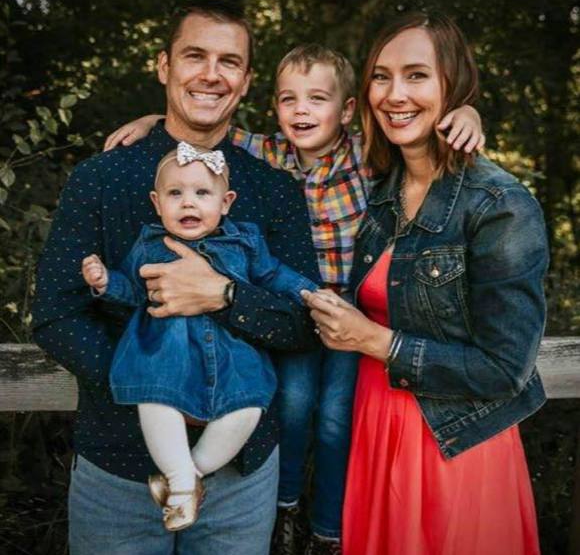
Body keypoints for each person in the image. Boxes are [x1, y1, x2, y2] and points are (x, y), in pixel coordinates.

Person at [104, 44, 484, 554]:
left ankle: (327, 530)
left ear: (346, 110)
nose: (301, 110)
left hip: (350, 311)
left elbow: (421, 140)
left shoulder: (366, 154)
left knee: (334, 419)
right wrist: (155, 120)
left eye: (317, 99)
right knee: (293, 404)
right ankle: (283, 508)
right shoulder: (272, 152)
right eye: (289, 99)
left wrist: (466, 113)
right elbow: (204, 131)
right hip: (294, 307)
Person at [32, 0, 321, 555]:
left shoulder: (274, 189)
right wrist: (155, 384)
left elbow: (304, 323)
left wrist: (225, 295)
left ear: (246, 81)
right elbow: (57, 312)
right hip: (119, 467)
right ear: (165, 66)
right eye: (195, 56)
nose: (211, 74)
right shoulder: (101, 178)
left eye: (229, 62)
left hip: (240, 473)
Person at [301, 12, 548, 555]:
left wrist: (374, 340)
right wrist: (164, 124)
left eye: (416, 75)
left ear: (452, 84)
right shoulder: (376, 187)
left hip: (452, 443)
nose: (395, 94)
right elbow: (275, 143)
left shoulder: (500, 205)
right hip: (372, 429)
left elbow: (506, 368)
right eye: (381, 76)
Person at [82, 143, 318, 532]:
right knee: (154, 400)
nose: (188, 203)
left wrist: (308, 291)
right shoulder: (149, 245)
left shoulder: (245, 241)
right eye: (175, 193)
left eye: (202, 193)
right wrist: (106, 282)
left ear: (226, 203)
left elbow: (275, 275)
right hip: (164, 353)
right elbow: (133, 290)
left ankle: (191, 474)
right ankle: (178, 479)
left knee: (249, 406)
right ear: (157, 203)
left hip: (233, 357)